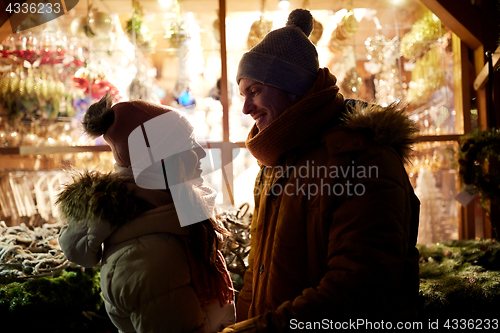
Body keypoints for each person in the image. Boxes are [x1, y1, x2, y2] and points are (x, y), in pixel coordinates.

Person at [221, 8, 420, 332]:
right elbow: (257, 277)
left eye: (254, 91)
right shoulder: (276, 163)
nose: (245, 108)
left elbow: (358, 291)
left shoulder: (362, 159)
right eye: (244, 94)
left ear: (292, 87)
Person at [57, 94, 236, 333]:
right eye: (190, 145)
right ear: (160, 162)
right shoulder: (150, 259)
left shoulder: (170, 223)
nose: (201, 153)